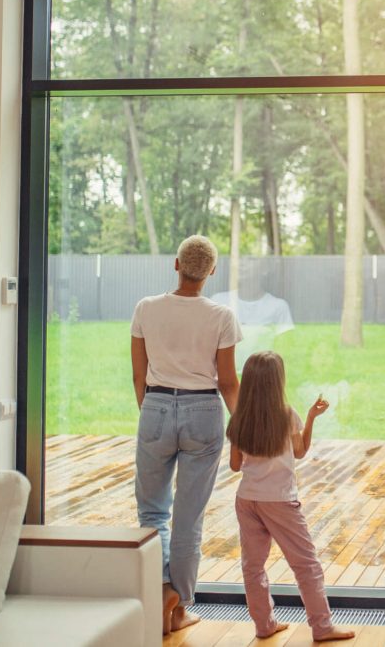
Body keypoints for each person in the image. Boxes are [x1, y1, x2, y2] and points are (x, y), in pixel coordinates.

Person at [131, 235, 241, 634]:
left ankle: (162, 590)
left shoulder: (146, 308)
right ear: (211, 271)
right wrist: (243, 428)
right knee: (188, 517)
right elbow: (228, 381)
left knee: (152, 512)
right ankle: (179, 608)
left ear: (175, 265)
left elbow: (138, 376)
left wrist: (154, 411)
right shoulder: (221, 316)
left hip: (156, 406)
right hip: (203, 410)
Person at [227, 351, 355, 642]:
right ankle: (322, 627)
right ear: (277, 382)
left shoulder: (239, 419)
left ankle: (264, 626)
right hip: (280, 501)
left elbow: (235, 466)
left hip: (247, 499)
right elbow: (299, 451)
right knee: (306, 564)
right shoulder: (287, 415)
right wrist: (310, 418)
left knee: (253, 566)